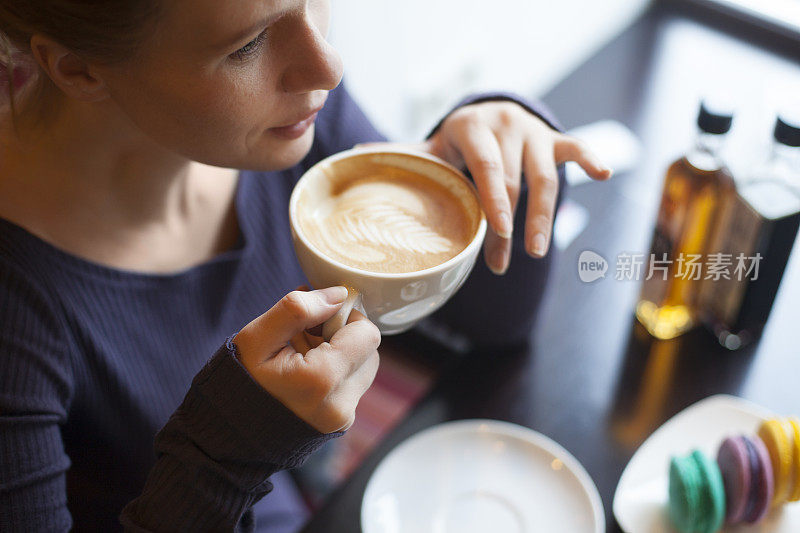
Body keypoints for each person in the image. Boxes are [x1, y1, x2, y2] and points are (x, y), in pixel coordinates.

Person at [0, 0, 610, 531]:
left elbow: (493, 326)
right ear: (79, 68)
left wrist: (501, 168)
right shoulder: (19, 318)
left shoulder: (288, 119)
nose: (329, 66)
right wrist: (226, 456)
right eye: (247, 45)